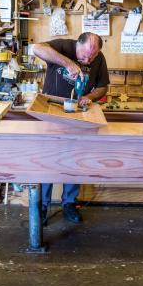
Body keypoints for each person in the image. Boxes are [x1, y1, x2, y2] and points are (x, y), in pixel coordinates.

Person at [33, 32, 109, 224]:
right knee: (47, 160)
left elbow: (103, 87)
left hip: (77, 113)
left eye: (91, 56)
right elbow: (36, 48)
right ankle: (42, 206)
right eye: (84, 55)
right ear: (78, 44)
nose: (87, 60)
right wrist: (68, 63)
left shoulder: (98, 58)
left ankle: (69, 204)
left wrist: (89, 97)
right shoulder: (62, 46)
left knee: (75, 159)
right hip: (50, 110)